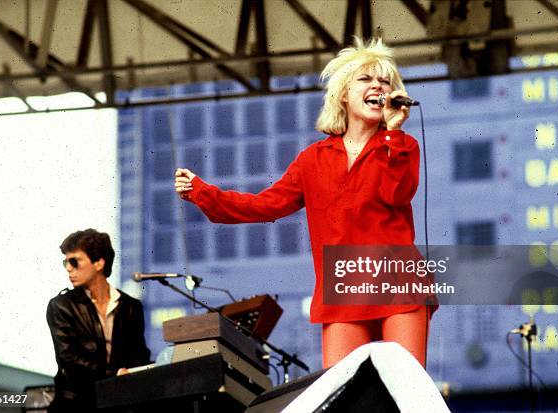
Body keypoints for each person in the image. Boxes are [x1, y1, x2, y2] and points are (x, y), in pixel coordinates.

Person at [174, 38, 434, 369]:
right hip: (344, 291)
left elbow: (397, 194)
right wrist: (202, 192)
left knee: (406, 392)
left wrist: (393, 133)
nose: (378, 86)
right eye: (366, 79)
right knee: (342, 396)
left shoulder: (401, 145)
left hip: (399, 282)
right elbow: (264, 206)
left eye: (384, 81)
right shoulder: (313, 160)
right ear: (343, 93)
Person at [46, 229, 150, 412]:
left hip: (118, 404)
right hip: (76, 405)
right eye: (66, 262)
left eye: (74, 261)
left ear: (99, 263)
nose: (68, 268)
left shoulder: (131, 307)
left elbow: (139, 356)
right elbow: (69, 360)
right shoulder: (61, 305)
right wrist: (115, 375)